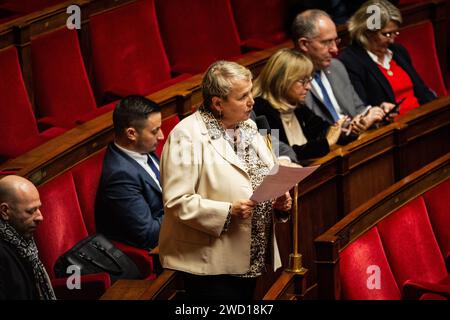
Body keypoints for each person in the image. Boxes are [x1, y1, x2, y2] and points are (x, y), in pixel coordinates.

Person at [158, 60, 292, 300]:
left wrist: (279, 202)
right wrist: (228, 211)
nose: (252, 100)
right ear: (218, 103)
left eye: (251, 91)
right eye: (242, 96)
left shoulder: (249, 125)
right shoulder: (186, 136)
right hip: (211, 264)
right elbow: (177, 202)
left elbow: (266, 174)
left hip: (251, 255)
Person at [292, 9, 394, 135]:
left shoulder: (336, 67)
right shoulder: (291, 80)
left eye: (335, 41)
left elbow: (358, 109)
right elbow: (314, 131)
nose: (335, 49)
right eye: (326, 42)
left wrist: (377, 112)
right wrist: (355, 125)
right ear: (304, 44)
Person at [339, 0, 436, 116]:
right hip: (395, 128)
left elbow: (423, 91)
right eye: (386, 34)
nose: (392, 40)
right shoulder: (351, 61)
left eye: (395, 33)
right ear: (367, 31)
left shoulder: (398, 51)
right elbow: (361, 109)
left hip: (422, 117)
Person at [95, 95, 164, 249]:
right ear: (131, 133)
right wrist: (183, 205)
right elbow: (149, 235)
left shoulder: (142, 147)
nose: (161, 136)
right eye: (155, 131)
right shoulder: (120, 176)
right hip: (159, 249)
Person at [253, 48, 343, 162]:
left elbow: (323, 129)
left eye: (309, 80)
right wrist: (326, 143)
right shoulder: (261, 111)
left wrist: (345, 131)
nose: (308, 87)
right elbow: (278, 154)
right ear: (282, 81)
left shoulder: (296, 106)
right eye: (302, 81)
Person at [0, 175, 56, 300]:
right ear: (5, 211)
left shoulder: (20, 238)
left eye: (38, 208)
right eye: (31, 211)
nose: (40, 217)